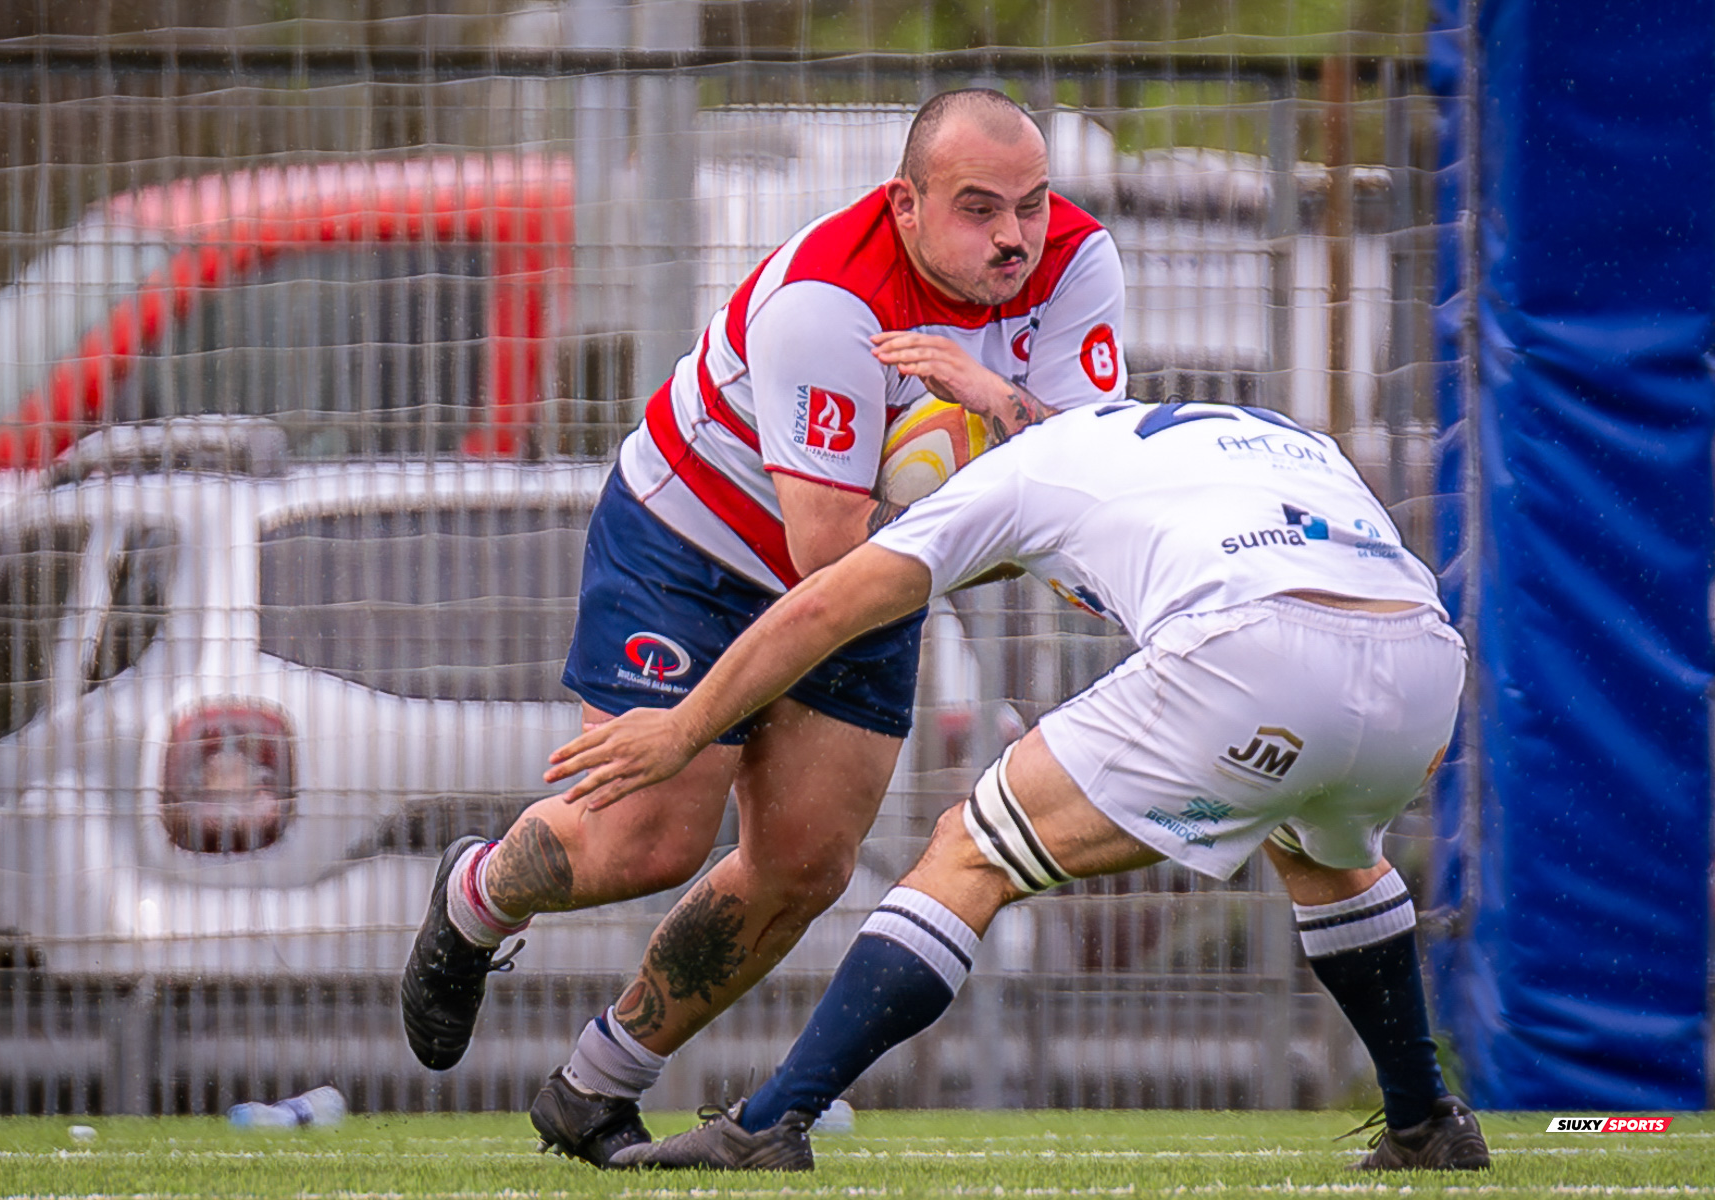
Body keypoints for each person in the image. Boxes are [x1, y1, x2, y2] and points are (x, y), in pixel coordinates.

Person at [397, 88, 1129, 1167]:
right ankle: (476, 897)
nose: (1015, 237)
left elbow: (1102, 472)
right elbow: (825, 554)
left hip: (894, 557)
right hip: (696, 546)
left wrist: (997, 402)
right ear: (907, 205)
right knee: (648, 841)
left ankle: (594, 1088)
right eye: (979, 209)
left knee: (805, 864)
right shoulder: (829, 300)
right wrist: (1012, 498)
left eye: (1030, 204)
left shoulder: (1078, 262)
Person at [546, 396, 1491, 1174]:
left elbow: (828, 602)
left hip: (1259, 647)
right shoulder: (1251, 431)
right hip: (1421, 660)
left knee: (971, 851)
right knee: (1326, 856)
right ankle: (1423, 1119)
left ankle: (769, 1123)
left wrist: (683, 726)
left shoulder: (1013, 470)